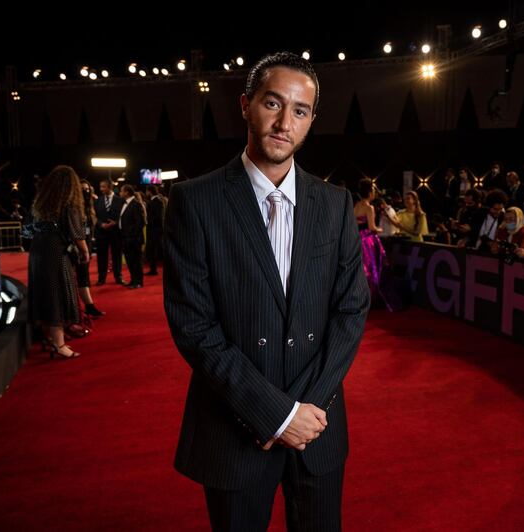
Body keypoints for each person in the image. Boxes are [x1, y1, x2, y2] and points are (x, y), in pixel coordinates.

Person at [162, 52, 369, 532]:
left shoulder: (335, 203)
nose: (283, 122)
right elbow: (194, 328)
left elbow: (351, 309)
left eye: (299, 111)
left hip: (318, 427)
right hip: (234, 431)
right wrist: (276, 415)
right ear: (245, 105)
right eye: (273, 103)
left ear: (312, 120)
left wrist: (307, 411)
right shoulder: (194, 202)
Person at [27, 165, 90, 359]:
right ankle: (59, 345)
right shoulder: (68, 204)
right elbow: (77, 234)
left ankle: (52, 339)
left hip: (38, 250)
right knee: (58, 294)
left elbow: (29, 227)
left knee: (45, 293)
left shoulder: (42, 202)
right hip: (55, 250)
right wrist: (85, 252)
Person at [354, 178, 402, 311]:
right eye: (373, 190)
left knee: (362, 271)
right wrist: (383, 230)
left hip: (357, 240)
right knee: (373, 270)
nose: (374, 193)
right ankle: (371, 298)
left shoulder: (357, 205)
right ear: (370, 192)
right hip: (368, 241)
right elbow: (372, 227)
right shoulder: (369, 207)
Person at [76, 180, 104, 317]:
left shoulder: (90, 206)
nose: (85, 192)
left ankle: (88, 306)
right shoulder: (74, 206)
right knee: (81, 275)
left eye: (87, 189)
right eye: (82, 189)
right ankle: (88, 306)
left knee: (83, 275)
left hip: (87, 242)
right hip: (77, 245)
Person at [93, 179, 125, 285]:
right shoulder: (97, 201)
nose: (101, 189)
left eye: (103, 187)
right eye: (100, 187)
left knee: (117, 256)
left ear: (110, 187)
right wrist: (101, 224)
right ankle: (101, 278)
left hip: (116, 233)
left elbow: (123, 215)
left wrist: (115, 223)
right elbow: (94, 216)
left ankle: (118, 277)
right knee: (101, 256)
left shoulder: (120, 200)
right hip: (101, 233)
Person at [118, 185, 145, 289]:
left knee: (136, 261)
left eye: (121, 191)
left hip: (133, 239)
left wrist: (130, 235)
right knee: (130, 261)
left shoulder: (136, 204)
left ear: (127, 192)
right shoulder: (124, 203)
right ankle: (133, 280)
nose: (120, 193)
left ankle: (138, 282)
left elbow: (140, 223)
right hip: (125, 238)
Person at [144, 185, 166, 275]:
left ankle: (154, 270)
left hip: (155, 230)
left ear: (149, 191)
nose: (146, 193)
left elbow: (157, 216)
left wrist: (148, 222)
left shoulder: (156, 201)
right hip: (154, 229)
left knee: (156, 249)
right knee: (153, 250)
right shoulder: (154, 201)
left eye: (146, 191)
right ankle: (153, 269)